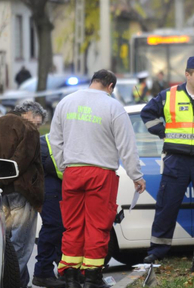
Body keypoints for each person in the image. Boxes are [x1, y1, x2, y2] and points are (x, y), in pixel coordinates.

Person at [49, 70, 146, 288]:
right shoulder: (113, 107)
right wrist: (136, 175)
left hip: (72, 172)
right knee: (97, 226)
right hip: (101, 174)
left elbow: (55, 140)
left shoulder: (66, 103)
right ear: (110, 86)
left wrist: (64, 165)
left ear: (93, 81)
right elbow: (127, 146)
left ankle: (69, 276)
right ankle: (92, 277)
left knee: (72, 225)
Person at [139, 56, 194, 263]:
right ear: (187, 75)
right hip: (176, 160)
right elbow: (147, 114)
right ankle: (157, 251)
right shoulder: (169, 95)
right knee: (167, 206)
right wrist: (163, 131)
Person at [0, 101, 46, 288]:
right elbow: (22, 160)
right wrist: (2, 178)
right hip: (20, 192)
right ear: (29, 114)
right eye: (38, 123)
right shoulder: (28, 129)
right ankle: (11, 282)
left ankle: (19, 283)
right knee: (20, 246)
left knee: (4, 245)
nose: (37, 127)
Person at [32, 133, 66, 288]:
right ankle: (43, 272)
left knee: (61, 228)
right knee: (54, 227)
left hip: (55, 188)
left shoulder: (51, 138)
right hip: (51, 189)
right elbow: (57, 168)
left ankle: (64, 270)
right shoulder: (51, 140)